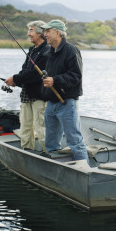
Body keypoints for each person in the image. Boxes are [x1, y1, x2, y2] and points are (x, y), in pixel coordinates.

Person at [41, 19, 88, 161]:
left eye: (48, 31)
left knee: (74, 141)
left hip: (66, 103)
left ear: (57, 32)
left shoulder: (71, 50)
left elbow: (76, 76)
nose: (45, 34)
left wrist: (55, 80)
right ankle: (56, 169)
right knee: (51, 143)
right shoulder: (50, 51)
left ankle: (85, 172)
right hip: (51, 104)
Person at [5, 20, 48, 151]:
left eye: (31, 30)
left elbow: (35, 75)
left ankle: (51, 155)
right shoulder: (32, 50)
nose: (28, 34)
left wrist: (15, 79)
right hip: (26, 95)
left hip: (40, 96)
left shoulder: (47, 50)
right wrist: (15, 81)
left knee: (42, 128)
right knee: (25, 127)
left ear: (40, 33)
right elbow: (25, 71)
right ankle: (27, 152)